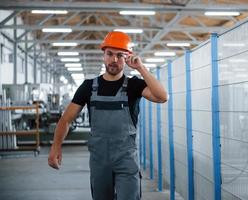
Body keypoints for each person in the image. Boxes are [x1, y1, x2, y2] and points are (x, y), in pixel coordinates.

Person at [48, 31, 168, 200]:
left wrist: (141, 67)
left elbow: (162, 96)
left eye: (120, 55)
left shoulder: (134, 85)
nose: (114, 60)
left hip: (126, 160)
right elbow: (66, 119)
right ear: (103, 55)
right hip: (99, 161)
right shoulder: (88, 87)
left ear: (127, 58)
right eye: (109, 54)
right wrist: (56, 147)